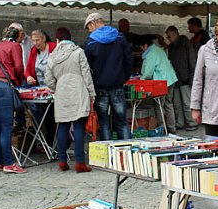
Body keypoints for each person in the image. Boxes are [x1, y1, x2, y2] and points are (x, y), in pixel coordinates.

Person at [45, 28, 96, 173]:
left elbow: (48, 80)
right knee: (79, 127)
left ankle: (62, 160)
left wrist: (59, 86)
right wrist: (92, 93)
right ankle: (80, 162)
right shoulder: (78, 52)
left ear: (57, 40)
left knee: (63, 126)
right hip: (79, 90)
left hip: (62, 93)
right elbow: (87, 74)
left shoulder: (52, 56)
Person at [84, 12, 133, 141]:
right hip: (117, 84)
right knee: (122, 120)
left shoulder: (90, 42)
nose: (89, 32)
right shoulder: (120, 37)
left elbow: (87, 67)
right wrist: (124, 77)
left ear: (93, 23)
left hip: (99, 86)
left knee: (104, 122)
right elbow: (129, 60)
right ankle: (127, 150)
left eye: (88, 28)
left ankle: (108, 153)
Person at [0, 25, 26, 174]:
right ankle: (9, 163)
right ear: (16, 36)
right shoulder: (14, 46)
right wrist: (20, 82)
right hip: (3, 86)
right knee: (6, 127)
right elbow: (19, 67)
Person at [139, 34, 178, 131]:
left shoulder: (151, 54)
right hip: (171, 79)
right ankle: (171, 127)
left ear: (145, 45)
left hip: (162, 82)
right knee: (168, 104)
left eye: (141, 47)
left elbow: (148, 73)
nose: (141, 49)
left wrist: (139, 80)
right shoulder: (158, 49)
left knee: (159, 104)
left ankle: (161, 128)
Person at [164, 25, 198, 131]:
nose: (168, 39)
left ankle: (192, 123)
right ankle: (180, 123)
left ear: (175, 34)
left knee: (187, 103)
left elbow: (193, 62)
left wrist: (192, 79)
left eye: (169, 37)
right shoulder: (171, 47)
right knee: (177, 104)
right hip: (176, 79)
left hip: (186, 79)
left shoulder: (186, 44)